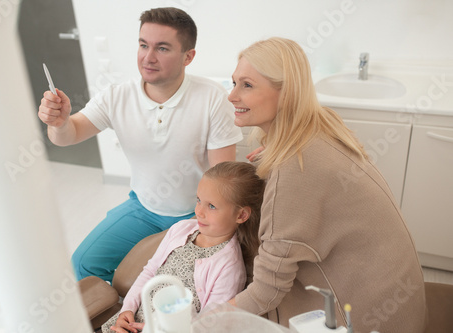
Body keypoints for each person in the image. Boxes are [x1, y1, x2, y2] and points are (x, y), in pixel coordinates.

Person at [226, 37, 427, 333]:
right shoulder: (321, 125)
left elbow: (267, 291)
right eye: (234, 83)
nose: (231, 96)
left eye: (247, 85)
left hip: (367, 319)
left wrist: (206, 319)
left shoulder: (295, 166)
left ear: (286, 93)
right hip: (402, 303)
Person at [38, 7, 242, 282]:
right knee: (83, 265)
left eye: (163, 48)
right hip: (143, 209)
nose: (148, 57)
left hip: (194, 215)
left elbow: (223, 180)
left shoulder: (212, 98)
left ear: (188, 56)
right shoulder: (117, 96)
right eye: (143, 45)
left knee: (179, 284)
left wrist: (210, 230)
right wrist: (59, 122)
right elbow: (67, 136)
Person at [100, 161, 265, 333]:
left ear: (241, 215)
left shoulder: (229, 268)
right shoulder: (181, 229)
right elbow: (150, 271)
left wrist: (154, 328)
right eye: (199, 200)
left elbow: (209, 325)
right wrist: (127, 309)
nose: (199, 211)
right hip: (130, 322)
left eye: (212, 206)